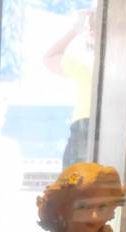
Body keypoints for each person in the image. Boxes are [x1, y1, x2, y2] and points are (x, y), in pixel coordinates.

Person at [43, 5, 98, 167]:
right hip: (114, 126)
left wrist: (75, 30)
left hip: (84, 125)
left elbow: (49, 57)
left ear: (91, 31)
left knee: (76, 179)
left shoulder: (85, 60)